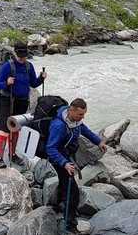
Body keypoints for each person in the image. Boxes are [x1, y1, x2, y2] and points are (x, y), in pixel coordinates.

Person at [46, 98, 107, 234]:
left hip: (67, 155)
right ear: (71, 110)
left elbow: (84, 130)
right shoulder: (59, 126)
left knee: (64, 183)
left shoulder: (75, 121)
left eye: (84, 114)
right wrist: (65, 163)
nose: (82, 117)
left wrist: (98, 142)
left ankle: (53, 205)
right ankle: (69, 225)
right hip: (58, 158)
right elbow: (50, 149)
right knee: (73, 192)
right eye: (80, 114)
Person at [0, 41, 46, 167]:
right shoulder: (7, 66)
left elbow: (33, 83)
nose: (22, 58)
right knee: (5, 129)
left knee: (16, 128)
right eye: (20, 55)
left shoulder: (29, 66)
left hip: (22, 101)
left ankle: (13, 154)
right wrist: (7, 82)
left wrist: (41, 78)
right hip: (7, 101)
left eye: (24, 55)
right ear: (15, 53)